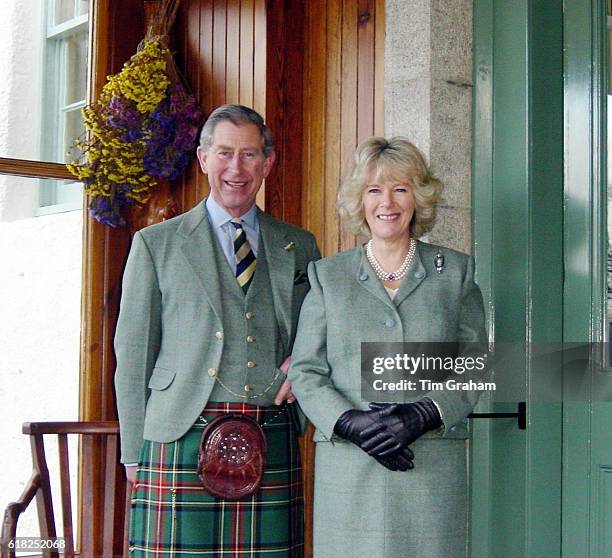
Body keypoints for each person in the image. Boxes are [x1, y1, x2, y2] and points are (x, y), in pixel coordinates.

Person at [114, 104, 320, 557]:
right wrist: (133, 450)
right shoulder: (156, 243)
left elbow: (319, 331)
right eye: (225, 153)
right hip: (178, 432)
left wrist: (302, 357)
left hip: (271, 431)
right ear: (204, 158)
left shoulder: (299, 245)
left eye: (249, 155)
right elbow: (133, 353)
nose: (236, 168)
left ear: (267, 164)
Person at [288, 137, 487, 558]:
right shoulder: (328, 276)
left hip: (430, 469)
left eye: (401, 188)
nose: (387, 202)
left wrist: (424, 413)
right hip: (350, 472)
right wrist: (348, 422)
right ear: (359, 201)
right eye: (374, 190)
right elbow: (306, 371)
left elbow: (475, 366)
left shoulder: (454, 272)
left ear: (419, 196)